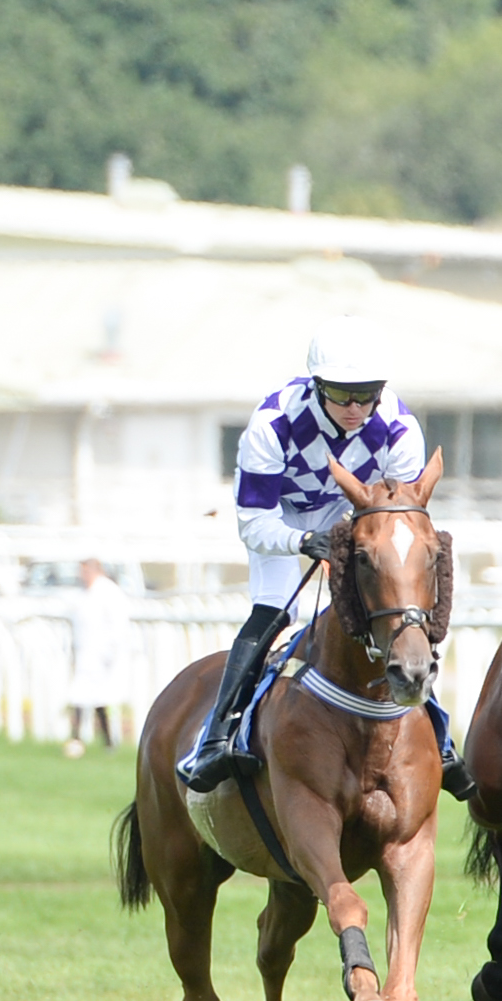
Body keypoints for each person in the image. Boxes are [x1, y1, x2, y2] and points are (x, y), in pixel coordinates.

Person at [177, 321, 446, 793]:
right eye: (342, 394)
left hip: (351, 515)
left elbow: (399, 517)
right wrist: (301, 543)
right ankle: (216, 738)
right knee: (276, 612)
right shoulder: (271, 424)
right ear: (318, 384)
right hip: (279, 517)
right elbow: (254, 524)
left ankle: (440, 739)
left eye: (367, 394)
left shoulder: (401, 429)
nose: (355, 408)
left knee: (398, 615)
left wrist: (350, 543)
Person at [63, 556, 133, 759]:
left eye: (84, 571)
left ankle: (106, 741)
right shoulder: (83, 594)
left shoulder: (109, 593)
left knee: (98, 698)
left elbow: (118, 626)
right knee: (82, 696)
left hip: (104, 656)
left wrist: (109, 653)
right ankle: (80, 739)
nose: (81, 576)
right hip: (87, 654)